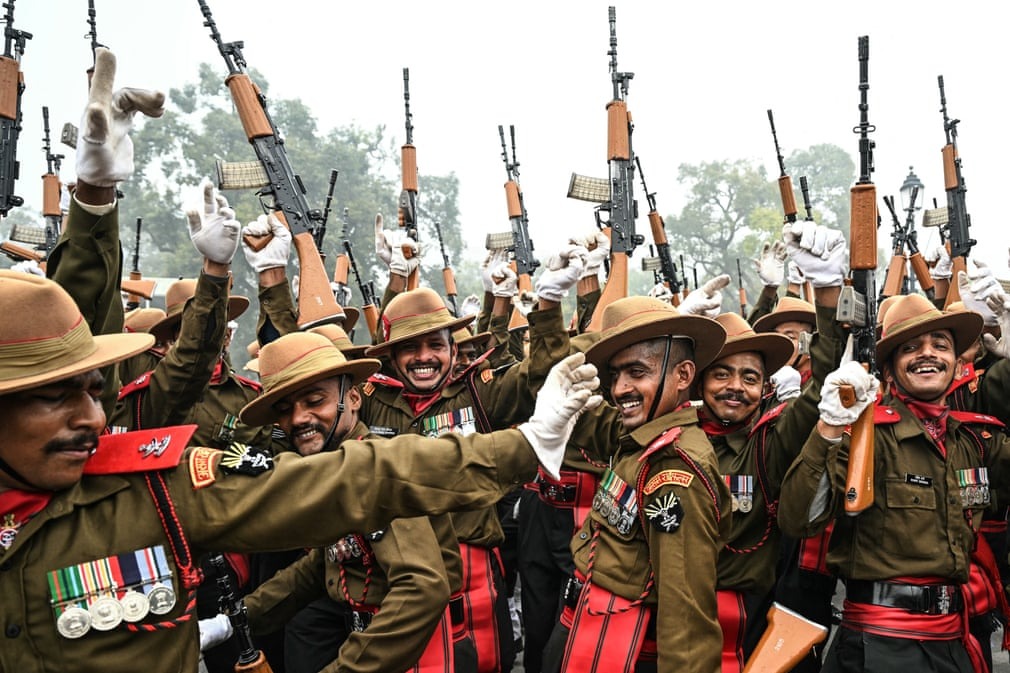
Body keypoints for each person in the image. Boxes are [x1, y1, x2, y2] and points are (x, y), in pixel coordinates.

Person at [0, 47, 600, 673]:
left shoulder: (148, 490)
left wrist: (532, 423)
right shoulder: (182, 462)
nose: (93, 417)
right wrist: (237, 621)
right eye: (53, 397)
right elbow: (324, 546)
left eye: (94, 391)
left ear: (357, 395)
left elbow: (368, 476)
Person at [200, 331, 461, 672]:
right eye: (285, 409)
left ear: (352, 399)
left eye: (314, 401)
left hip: (405, 653)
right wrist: (234, 620)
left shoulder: (373, 470)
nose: (298, 419)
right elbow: (324, 563)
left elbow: (421, 589)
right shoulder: (334, 466)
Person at [777, 292, 1010, 673]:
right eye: (910, 347)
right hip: (881, 645)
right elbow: (799, 518)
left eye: (941, 345)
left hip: (954, 642)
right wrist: (830, 425)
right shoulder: (867, 436)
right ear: (889, 368)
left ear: (955, 362)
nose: (928, 353)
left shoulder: (974, 441)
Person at [539, 295, 733, 673]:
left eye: (637, 373)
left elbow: (686, 612)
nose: (619, 389)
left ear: (683, 376)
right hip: (587, 629)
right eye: (616, 375)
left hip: (620, 646)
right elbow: (578, 411)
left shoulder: (674, 471)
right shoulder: (643, 433)